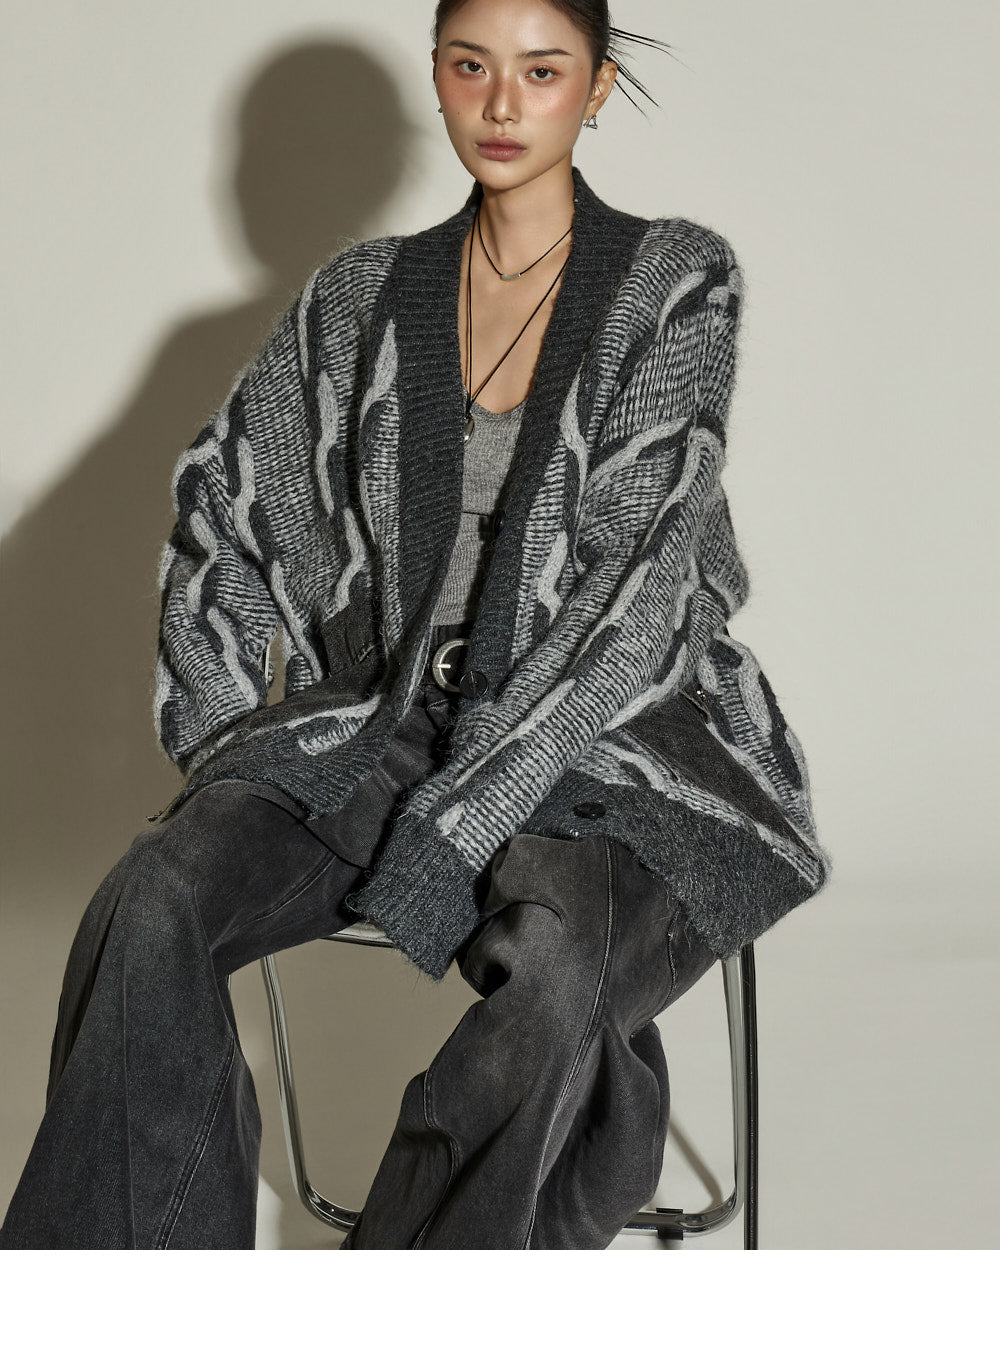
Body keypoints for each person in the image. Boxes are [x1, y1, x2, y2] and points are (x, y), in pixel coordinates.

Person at [0, 0, 832, 1250]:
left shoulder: (672, 281)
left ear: (596, 87)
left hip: (621, 733)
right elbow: (226, 508)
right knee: (156, 895)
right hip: (391, 717)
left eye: (541, 72)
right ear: (436, 78)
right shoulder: (359, 296)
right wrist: (236, 754)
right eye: (470, 67)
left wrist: (467, 818)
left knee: (556, 970)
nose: (501, 104)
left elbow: (636, 581)